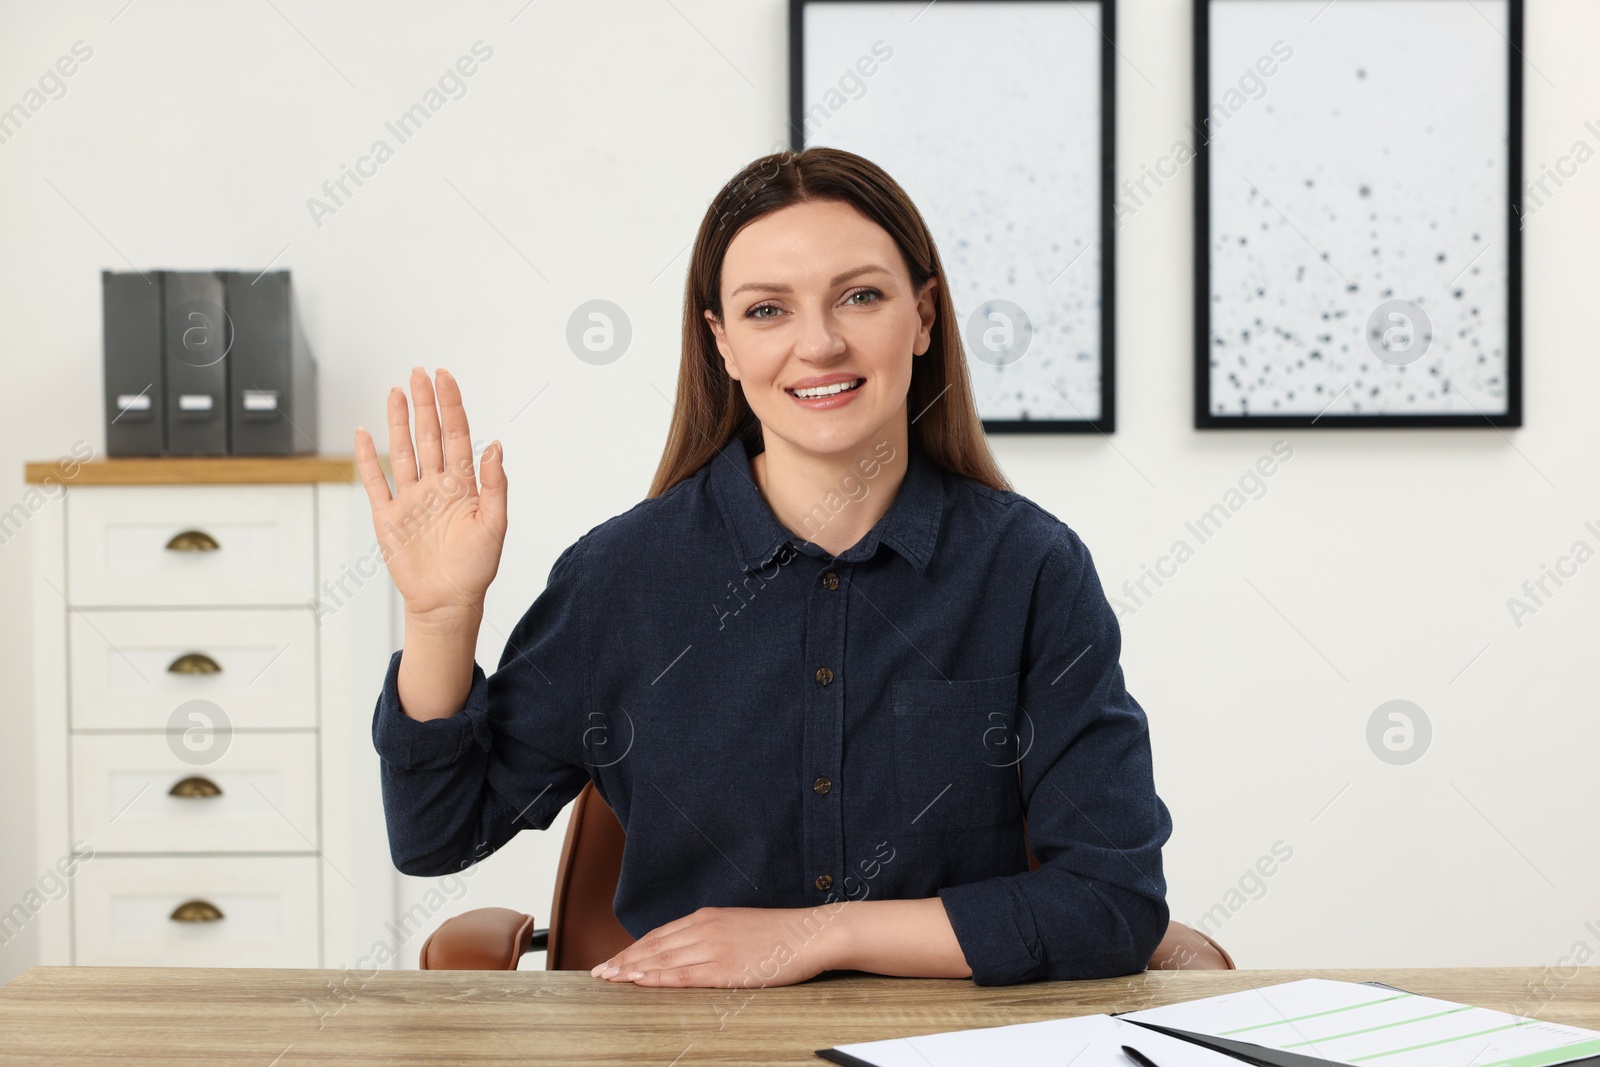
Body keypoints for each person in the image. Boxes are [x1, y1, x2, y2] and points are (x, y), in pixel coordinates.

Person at [355, 146, 1171, 989]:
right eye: (767, 310)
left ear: (924, 316)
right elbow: (436, 835)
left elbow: (1111, 904)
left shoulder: (1031, 569)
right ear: (723, 344)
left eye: (860, 296)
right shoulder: (621, 576)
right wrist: (439, 620)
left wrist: (817, 934)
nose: (818, 343)